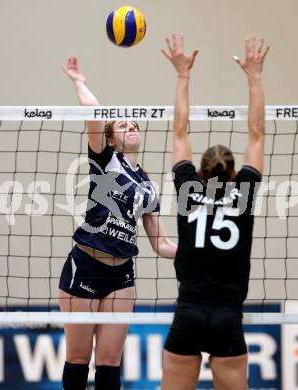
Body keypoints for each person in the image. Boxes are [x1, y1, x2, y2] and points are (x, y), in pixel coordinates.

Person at [59, 56, 177, 390]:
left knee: (110, 363)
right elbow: (94, 114)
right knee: (79, 360)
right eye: (124, 126)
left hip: (121, 274)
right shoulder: (105, 161)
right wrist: (79, 81)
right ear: (110, 140)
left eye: (135, 125)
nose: (132, 128)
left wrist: (198, 253)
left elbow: (161, 244)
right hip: (85, 265)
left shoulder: (149, 185)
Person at [161, 34, 269, 390]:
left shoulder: (188, 190)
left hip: (188, 312)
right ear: (234, 173)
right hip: (227, 316)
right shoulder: (244, 193)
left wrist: (182, 76)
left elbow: (179, 131)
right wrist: (254, 76)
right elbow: (257, 135)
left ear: (200, 172)